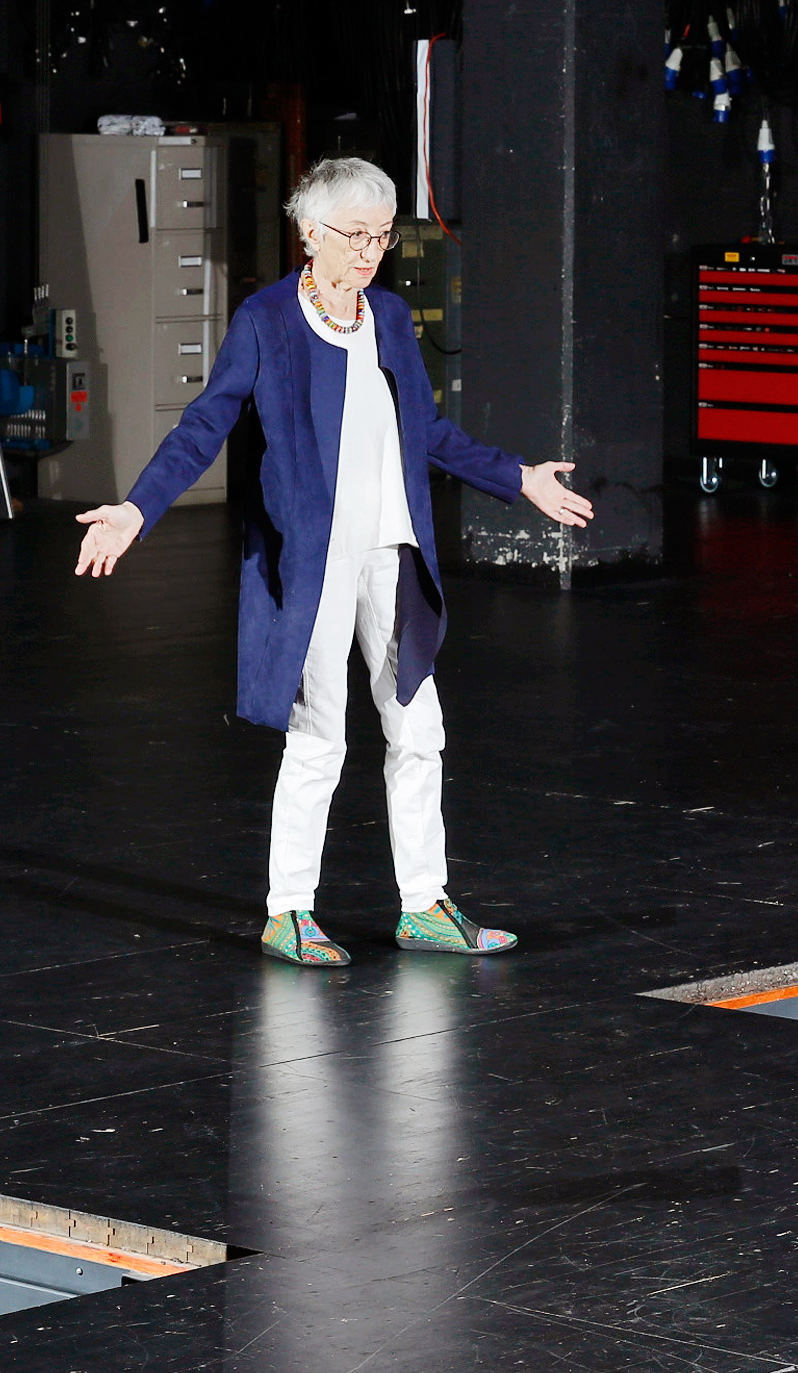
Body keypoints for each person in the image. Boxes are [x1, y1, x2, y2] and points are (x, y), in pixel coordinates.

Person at [73, 156, 595, 966]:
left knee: (419, 727)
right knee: (320, 735)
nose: (370, 251)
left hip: (392, 549)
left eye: (382, 236)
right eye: (356, 235)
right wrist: (136, 510)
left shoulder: (389, 316)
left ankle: (424, 904)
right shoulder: (267, 321)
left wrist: (517, 477)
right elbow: (204, 425)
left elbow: (427, 432)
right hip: (314, 561)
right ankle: (289, 911)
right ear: (310, 233)